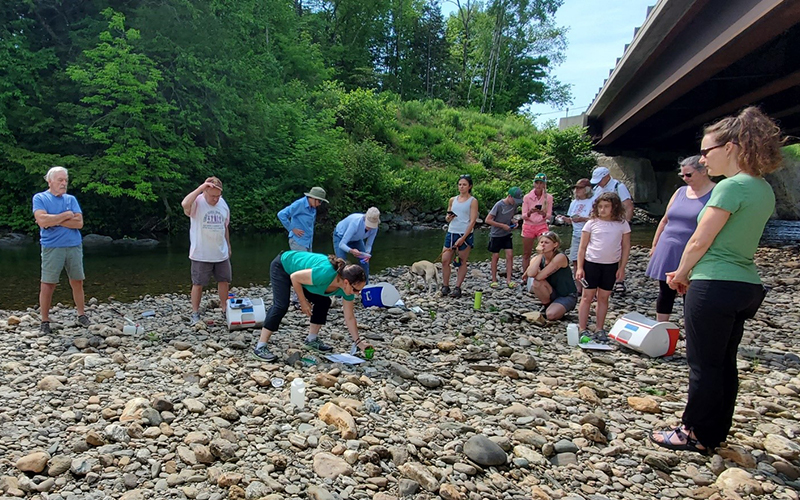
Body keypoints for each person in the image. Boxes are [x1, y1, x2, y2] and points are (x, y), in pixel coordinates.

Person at [649, 107, 783, 455]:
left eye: (707, 152)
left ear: (733, 147)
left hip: (713, 282)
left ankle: (690, 431)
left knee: (703, 365)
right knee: (724, 361)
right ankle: (714, 432)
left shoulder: (730, 188)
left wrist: (679, 274)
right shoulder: (763, 189)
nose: (704, 160)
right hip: (745, 286)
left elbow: (699, 240)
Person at [253, 252, 369, 362]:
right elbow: (294, 277)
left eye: (360, 290)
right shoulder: (325, 274)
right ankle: (260, 346)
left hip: (303, 277)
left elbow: (349, 317)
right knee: (281, 305)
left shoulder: (347, 290)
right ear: (346, 282)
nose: (357, 293)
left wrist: (359, 342)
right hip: (283, 266)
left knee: (323, 302)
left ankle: (312, 340)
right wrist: (303, 302)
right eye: (356, 290)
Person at [645, 156, 715, 321]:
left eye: (689, 175)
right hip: (668, 247)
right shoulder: (680, 192)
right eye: (682, 175)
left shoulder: (716, 193)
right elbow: (665, 219)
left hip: (693, 249)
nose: (685, 179)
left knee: (691, 293)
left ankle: (692, 332)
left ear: (703, 171)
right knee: (665, 291)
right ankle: (661, 329)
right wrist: (654, 245)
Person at [33, 166, 90, 334]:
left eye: (65, 180)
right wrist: (65, 216)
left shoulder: (71, 199)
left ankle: (81, 314)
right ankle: (44, 320)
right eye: (60, 180)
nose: (64, 183)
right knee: (48, 283)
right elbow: (42, 220)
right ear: (50, 181)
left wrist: (53, 220)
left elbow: (79, 223)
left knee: (77, 281)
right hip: (52, 246)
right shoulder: (40, 198)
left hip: (73, 245)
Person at [575, 192, 631, 341]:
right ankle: (582, 328)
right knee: (587, 297)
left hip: (611, 265)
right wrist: (580, 268)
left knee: (604, 297)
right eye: (600, 207)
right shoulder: (591, 223)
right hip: (592, 263)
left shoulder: (622, 224)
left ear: (615, 207)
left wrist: (622, 267)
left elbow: (625, 247)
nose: (602, 210)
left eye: (606, 206)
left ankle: (599, 328)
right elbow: (582, 247)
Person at [181, 177, 231, 325]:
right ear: (205, 192)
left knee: (224, 281)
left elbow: (225, 226)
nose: (215, 199)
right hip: (201, 253)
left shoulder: (223, 204)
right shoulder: (197, 202)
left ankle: (224, 310)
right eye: (212, 196)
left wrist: (228, 245)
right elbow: (184, 204)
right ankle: (195, 313)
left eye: (218, 196)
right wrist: (200, 187)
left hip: (220, 252)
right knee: (198, 283)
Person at [524, 231, 577, 321]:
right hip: (551, 291)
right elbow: (531, 274)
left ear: (555, 244)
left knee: (551, 316)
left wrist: (536, 270)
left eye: (547, 243)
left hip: (566, 295)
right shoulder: (537, 258)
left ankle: (556, 308)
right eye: (541, 242)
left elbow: (540, 276)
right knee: (537, 283)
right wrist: (540, 255)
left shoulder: (560, 257)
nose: (543, 245)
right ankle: (547, 305)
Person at [441, 174, 479, 298]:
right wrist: (448, 218)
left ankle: (457, 287)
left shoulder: (473, 201)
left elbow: (472, 221)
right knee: (445, 259)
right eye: (460, 184)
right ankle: (445, 285)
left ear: (469, 186)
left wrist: (463, 238)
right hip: (452, 231)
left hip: (465, 233)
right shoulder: (453, 200)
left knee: (461, 261)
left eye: (464, 185)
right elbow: (447, 217)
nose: (461, 187)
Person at [561, 178, 594, 293]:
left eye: (579, 188)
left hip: (590, 234)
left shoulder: (594, 201)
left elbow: (597, 218)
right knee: (575, 260)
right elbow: (571, 219)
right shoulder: (574, 202)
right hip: (576, 234)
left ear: (587, 189)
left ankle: (590, 287)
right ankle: (578, 287)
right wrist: (565, 219)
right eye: (576, 188)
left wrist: (582, 219)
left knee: (589, 261)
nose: (577, 190)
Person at [485, 187, 523, 288]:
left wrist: (513, 222)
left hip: (507, 233)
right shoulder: (499, 205)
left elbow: (511, 217)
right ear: (509, 196)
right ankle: (494, 279)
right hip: (496, 234)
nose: (516, 203)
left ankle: (509, 279)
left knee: (510, 255)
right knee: (495, 256)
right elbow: (488, 220)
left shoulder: (514, 205)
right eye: (515, 200)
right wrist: (502, 225)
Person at [333, 207, 381, 283]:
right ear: (365, 219)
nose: (369, 228)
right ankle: (340, 289)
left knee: (365, 262)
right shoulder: (355, 223)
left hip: (356, 238)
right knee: (341, 263)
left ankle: (365, 286)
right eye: (368, 225)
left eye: (372, 226)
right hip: (340, 236)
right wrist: (352, 251)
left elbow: (369, 244)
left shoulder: (375, 228)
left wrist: (367, 254)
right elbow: (342, 244)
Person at [277, 187, 328, 252]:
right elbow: (281, 214)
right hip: (298, 241)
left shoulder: (313, 208)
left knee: (309, 262)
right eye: (319, 201)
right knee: (301, 262)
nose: (320, 204)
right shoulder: (299, 204)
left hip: (308, 243)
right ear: (312, 198)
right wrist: (292, 229)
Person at [521, 173, 553, 276]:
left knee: (544, 250)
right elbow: (523, 215)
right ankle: (525, 274)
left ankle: (543, 273)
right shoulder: (527, 197)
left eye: (541, 183)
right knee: (527, 253)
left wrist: (543, 214)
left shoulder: (548, 197)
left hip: (541, 224)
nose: (539, 185)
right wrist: (530, 212)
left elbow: (549, 215)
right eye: (537, 183)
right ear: (534, 184)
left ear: (544, 185)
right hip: (529, 225)